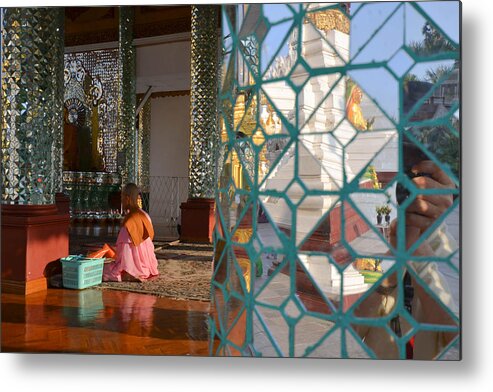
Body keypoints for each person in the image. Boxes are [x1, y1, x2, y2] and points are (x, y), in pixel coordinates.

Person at [91, 183, 159, 282]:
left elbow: (124, 254)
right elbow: (149, 245)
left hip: (129, 267)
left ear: (127, 198)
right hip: (147, 266)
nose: (121, 200)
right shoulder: (146, 216)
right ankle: (138, 271)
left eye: (122, 196)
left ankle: (129, 274)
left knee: (102, 270)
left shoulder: (129, 222)